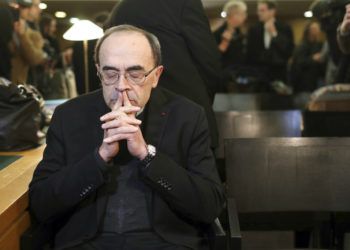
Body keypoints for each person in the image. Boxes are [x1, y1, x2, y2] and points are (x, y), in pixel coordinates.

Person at [29, 25, 225, 250]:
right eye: (111, 74)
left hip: (166, 242)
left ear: (156, 76)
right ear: (99, 73)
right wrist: (99, 157)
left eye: (135, 74)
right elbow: (41, 203)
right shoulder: (69, 116)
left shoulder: (188, 116)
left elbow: (210, 204)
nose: (121, 86)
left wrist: (147, 155)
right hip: (86, 242)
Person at [106, 0, 222, 149]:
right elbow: (209, 62)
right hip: (187, 121)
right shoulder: (184, 3)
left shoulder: (120, 9)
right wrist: (202, 102)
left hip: (134, 125)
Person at [246, 0, 294, 92]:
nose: (258, 13)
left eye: (262, 10)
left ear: (272, 11)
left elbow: (288, 50)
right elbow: (250, 54)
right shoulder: (253, 29)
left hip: (279, 75)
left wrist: (274, 33)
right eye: (258, 10)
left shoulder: (285, 28)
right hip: (259, 79)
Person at [213, 0, 248, 92]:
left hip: (238, 78)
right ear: (233, 15)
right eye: (242, 14)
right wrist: (224, 44)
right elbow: (212, 57)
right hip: (223, 82)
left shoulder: (240, 33)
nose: (245, 17)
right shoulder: (218, 34)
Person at [290, 21, 325, 93]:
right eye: (315, 28)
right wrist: (313, 58)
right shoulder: (302, 46)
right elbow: (299, 62)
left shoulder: (319, 45)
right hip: (303, 85)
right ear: (309, 30)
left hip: (316, 82)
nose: (318, 30)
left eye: (318, 28)